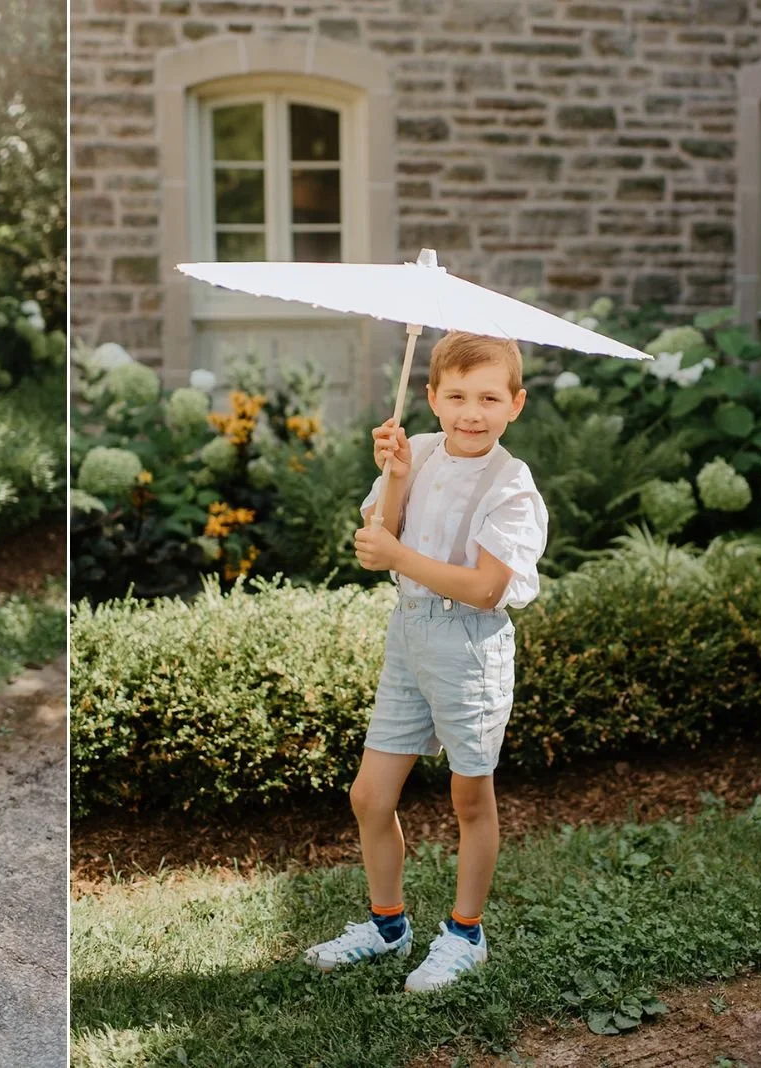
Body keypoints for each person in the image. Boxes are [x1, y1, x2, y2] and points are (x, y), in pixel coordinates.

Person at [302, 331, 548, 992]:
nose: (473, 412)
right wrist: (397, 477)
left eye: (489, 397)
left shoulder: (512, 488)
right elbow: (380, 531)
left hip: (469, 646)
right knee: (369, 795)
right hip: (408, 638)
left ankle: (465, 934)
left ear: (515, 405)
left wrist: (398, 559)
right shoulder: (424, 451)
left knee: (470, 797)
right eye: (458, 396)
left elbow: (487, 588)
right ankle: (388, 926)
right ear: (432, 397)